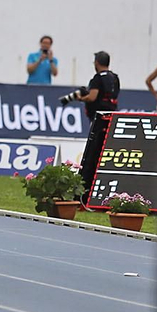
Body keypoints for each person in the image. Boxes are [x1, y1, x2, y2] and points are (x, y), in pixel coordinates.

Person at [61, 50, 120, 203]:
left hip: (98, 118)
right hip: (111, 117)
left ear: (97, 62)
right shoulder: (115, 78)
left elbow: (93, 97)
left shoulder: (97, 78)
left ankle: (84, 192)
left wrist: (81, 98)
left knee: (92, 155)